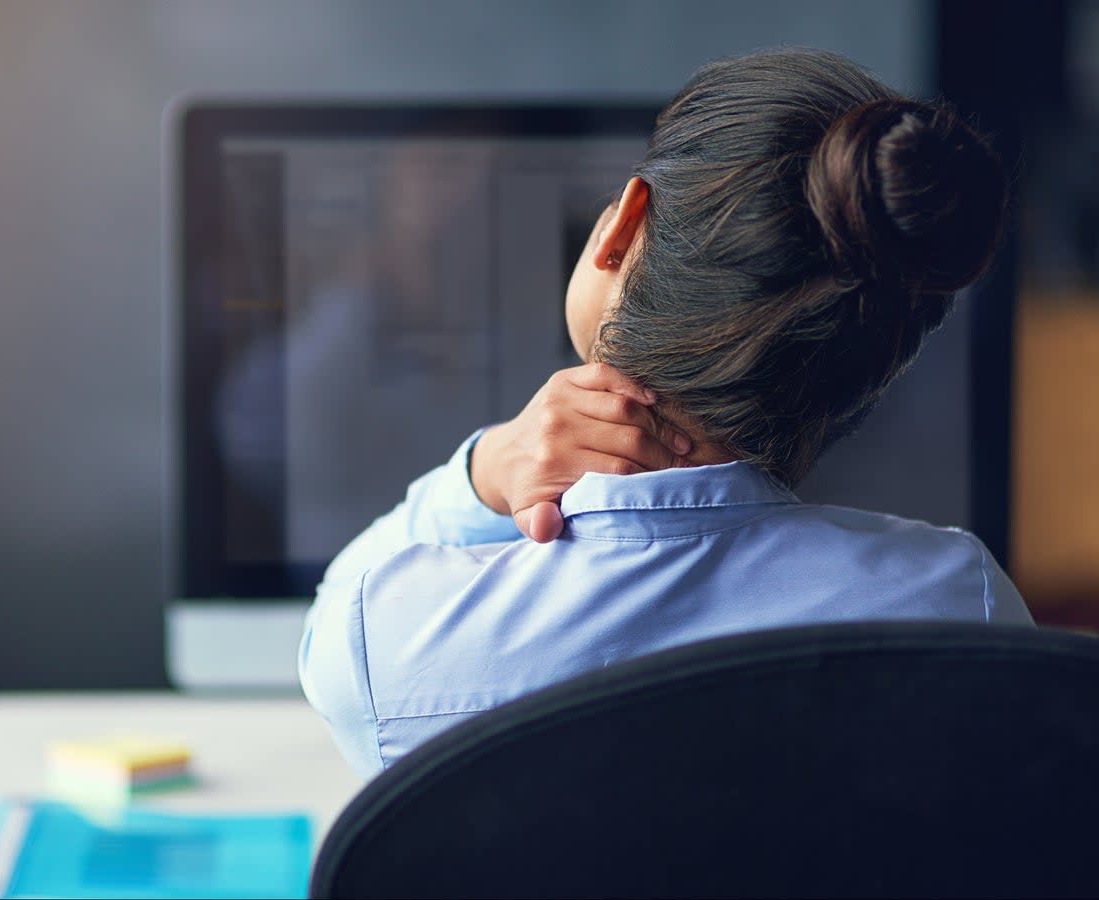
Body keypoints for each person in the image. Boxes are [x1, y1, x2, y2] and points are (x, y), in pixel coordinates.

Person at [298, 48, 1035, 778]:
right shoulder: (963, 606)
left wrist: (481, 473)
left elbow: (335, 611)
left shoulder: (392, 646)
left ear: (623, 225)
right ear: (876, 365)